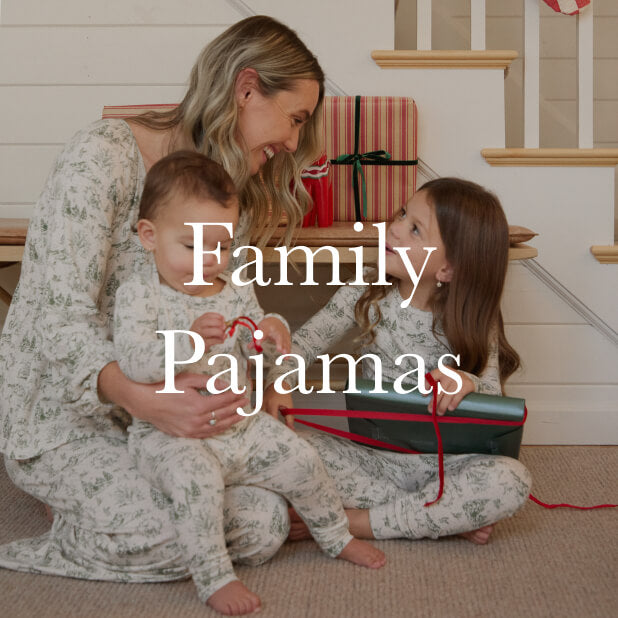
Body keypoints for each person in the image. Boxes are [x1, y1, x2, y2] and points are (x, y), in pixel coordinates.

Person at [0, 15, 327, 584]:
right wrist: (143, 400)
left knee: (265, 522)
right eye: (295, 119)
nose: (294, 143)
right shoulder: (102, 156)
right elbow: (57, 319)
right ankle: (70, 534)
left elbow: (234, 313)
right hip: (70, 418)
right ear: (246, 88)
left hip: (167, 428)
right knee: (174, 528)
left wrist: (267, 382)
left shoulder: (228, 196)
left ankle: (108, 519)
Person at [114, 151, 385, 614]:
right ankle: (214, 576)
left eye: (219, 247)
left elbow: (251, 336)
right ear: (149, 237)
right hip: (172, 437)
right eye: (192, 247)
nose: (207, 262)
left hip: (241, 427)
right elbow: (136, 363)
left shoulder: (233, 285)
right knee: (194, 483)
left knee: (302, 458)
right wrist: (189, 343)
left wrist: (270, 335)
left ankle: (335, 535)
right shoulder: (139, 295)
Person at [265, 178, 533, 546]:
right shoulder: (367, 289)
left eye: (415, 229)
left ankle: (351, 522)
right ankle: (440, 516)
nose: (394, 227)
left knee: (511, 480)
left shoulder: (472, 320)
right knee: (278, 447)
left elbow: (491, 399)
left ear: (448, 270)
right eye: (403, 213)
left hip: (447, 467)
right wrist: (276, 381)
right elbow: (306, 344)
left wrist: (467, 382)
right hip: (371, 462)